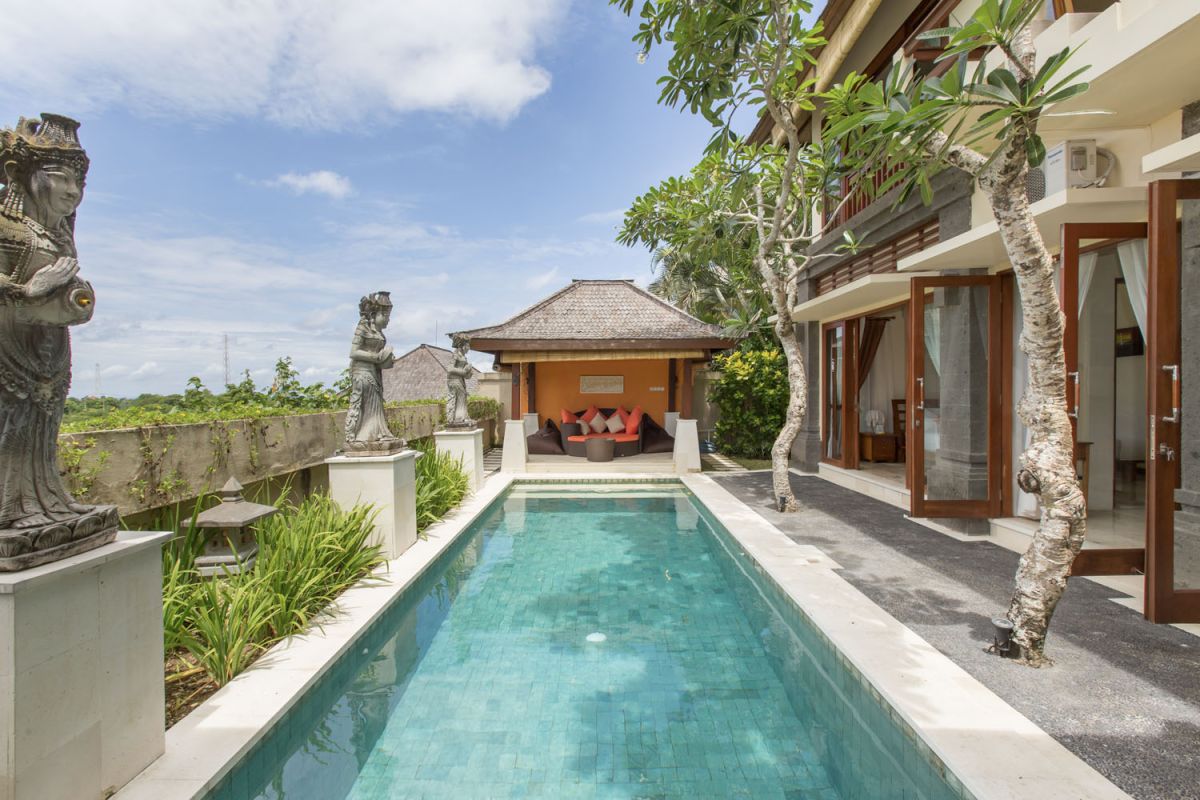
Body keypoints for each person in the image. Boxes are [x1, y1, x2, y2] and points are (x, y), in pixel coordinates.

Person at [0, 114, 101, 536]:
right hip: (11, 348)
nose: (72, 192)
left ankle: (46, 500)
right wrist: (28, 292)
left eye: (77, 183)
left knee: (42, 428)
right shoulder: (8, 229)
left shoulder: (57, 236)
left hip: (48, 349)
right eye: (61, 177)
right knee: (12, 427)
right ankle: (10, 509)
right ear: (23, 175)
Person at [345, 291, 401, 449]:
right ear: (376, 314)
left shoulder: (380, 333)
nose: (388, 320)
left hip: (374, 373)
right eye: (386, 316)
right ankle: (363, 436)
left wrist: (386, 359)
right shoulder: (363, 327)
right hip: (362, 373)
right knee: (365, 405)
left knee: (375, 407)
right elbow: (353, 352)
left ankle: (378, 433)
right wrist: (376, 357)